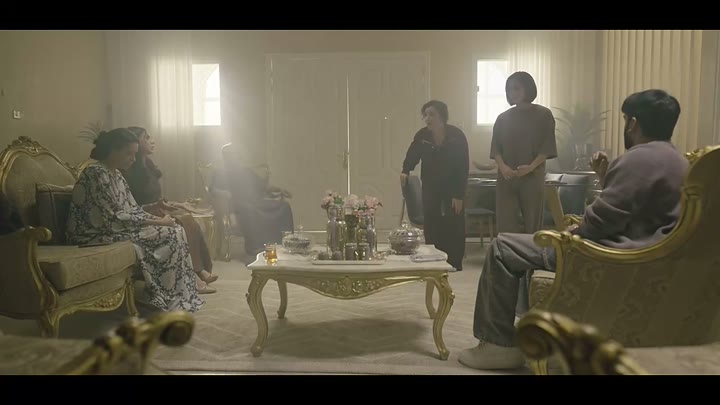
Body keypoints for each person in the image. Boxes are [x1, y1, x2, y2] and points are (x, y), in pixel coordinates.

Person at [459, 89, 688, 370]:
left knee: (502, 246)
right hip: (643, 252)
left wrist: (570, 234)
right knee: (521, 245)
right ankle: (520, 328)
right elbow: (636, 211)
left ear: (633, 123)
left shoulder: (638, 159)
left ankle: (498, 346)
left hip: (607, 255)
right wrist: (606, 178)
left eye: (625, 120)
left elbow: (598, 224)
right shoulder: (678, 161)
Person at [66, 128, 204, 313]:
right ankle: (163, 295)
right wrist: (160, 222)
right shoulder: (96, 173)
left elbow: (131, 209)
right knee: (169, 233)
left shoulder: (116, 174)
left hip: (114, 227)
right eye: (128, 153)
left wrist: (155, 209)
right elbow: (115, 216)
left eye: (134, 154)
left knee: (175, 230)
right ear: (112, 150)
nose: (133, 159)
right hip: (92, 233)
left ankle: (176, 293)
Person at [123, 126, 218, 294]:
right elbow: (134, 203)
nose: (152, 141)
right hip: (145, 212)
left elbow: (157, 198)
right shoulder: (129, 171)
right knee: (181, 221)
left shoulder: (148, 165)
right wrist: (160, 210)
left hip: (155, 208)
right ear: (136, 142)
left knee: (187, 217)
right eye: (146, 138)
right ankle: (194, 274)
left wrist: (178, 204)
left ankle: (199, 271)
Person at [401, 100, 469, 271]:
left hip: (452, 188)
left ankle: (454, 262)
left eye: (432, 114)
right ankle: (434, 260)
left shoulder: (456, 136)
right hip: (431, 186)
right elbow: (412, 154)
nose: (428, 118)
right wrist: (406, 170)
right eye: (425, 115)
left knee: (454, 224)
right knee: (432, 224)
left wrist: (459, 195)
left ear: (442, 116)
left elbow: (463, 166)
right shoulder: (422, 136)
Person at [490, 71, 557, 234]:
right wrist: (503, 167)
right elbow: (496, 148)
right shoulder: (502, 118)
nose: (512, 93)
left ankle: (532, 250)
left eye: (517, 88)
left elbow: (546, 147)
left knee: (532, 224)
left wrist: (531, 167)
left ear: (528, 88)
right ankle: (507, 250)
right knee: (506, 224)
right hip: (507, 177)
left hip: (532, 177)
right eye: (509, 89)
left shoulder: (544, 115)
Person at [218, 142, 294, 256]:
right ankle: (256, 247)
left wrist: (280, 189)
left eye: (235, 154)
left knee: (284, 206)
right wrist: (224, 194)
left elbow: (263, 186)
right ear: (225, 157)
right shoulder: (220, 174)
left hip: (257, 201)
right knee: (250, 210)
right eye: (230, 154)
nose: (234, 157)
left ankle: (285, 242)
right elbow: (213, 190)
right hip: (238, 205)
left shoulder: (246, 171)